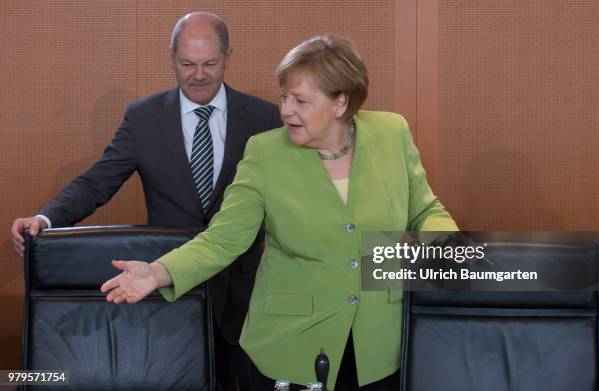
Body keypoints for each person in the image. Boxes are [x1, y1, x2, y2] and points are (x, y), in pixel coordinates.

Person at [101, 35, 458, 390]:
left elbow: (425, 209)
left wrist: (444, 241)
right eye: (284, 96)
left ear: (340, 103)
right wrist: (159, 271)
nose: (286, 110)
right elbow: (223, 239)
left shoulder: (391, 132)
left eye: (301, 101)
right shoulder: (265, 152)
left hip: (380, 345)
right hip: (292, 343)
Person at [10, 12, 281, 390]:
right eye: (187, 64)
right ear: (171, 57)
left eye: (209, 64)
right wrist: (47, 217)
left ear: (228, 57)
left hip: (247, 295)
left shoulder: (265, 117)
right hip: (170, 291)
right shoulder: (144, 119)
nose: (198, 75)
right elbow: (97, 181)